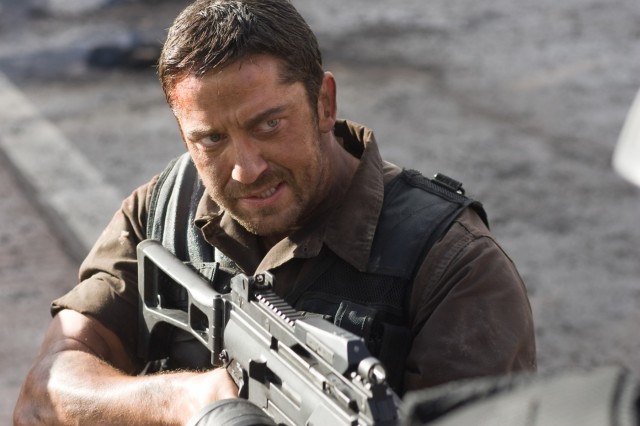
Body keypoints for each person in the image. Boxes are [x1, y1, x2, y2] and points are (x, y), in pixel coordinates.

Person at [13, 0, 536, 424]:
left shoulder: (455, 268)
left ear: (324, 104)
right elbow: (42, 400)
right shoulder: (162, 210)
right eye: (212, 139)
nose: (246, 169)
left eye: (269, 124)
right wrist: (183, 403)